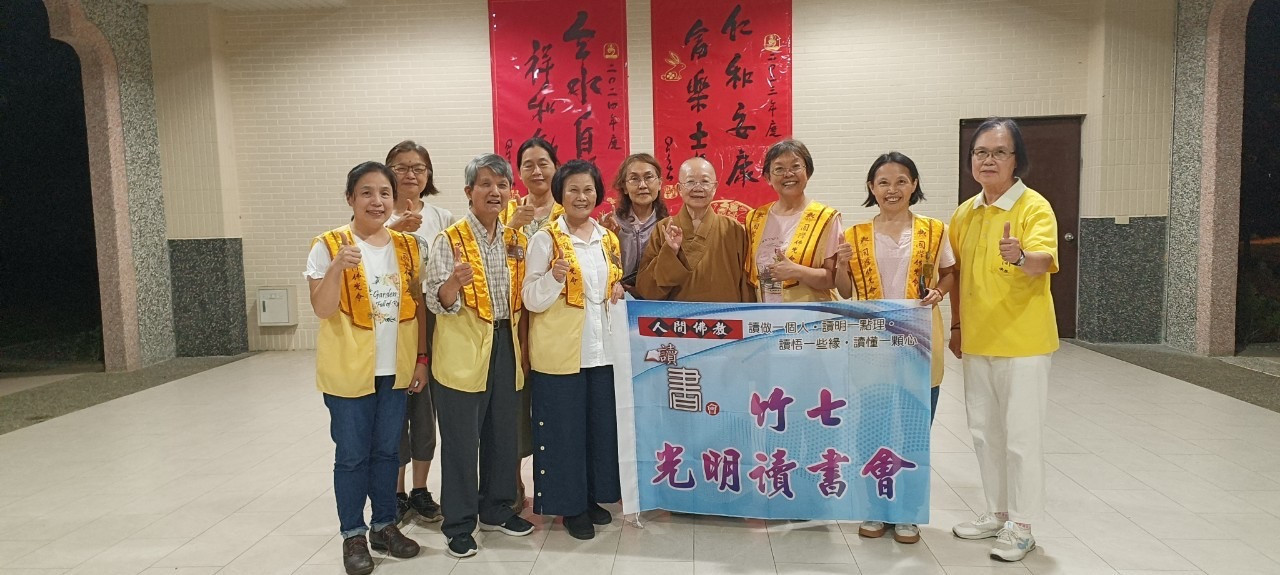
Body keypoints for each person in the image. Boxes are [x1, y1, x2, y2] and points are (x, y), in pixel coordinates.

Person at [948, 118, 1058, 562]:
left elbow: (1043, 260)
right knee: (984, 434)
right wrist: (957, 327)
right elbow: (956, 275)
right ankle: (997, 513)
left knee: (1021, 438)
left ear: (1017, 160)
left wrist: (1020, 255)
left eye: (999, 152)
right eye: (981, 152)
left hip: (1023, 343)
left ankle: (1023, 526)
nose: (988, 160)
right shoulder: (965, 213)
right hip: (978, 342)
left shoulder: (1033, 206)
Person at [305, 162, 423, 575]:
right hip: (349, 370)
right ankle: (353, 533)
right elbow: (322, 309)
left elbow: (418, 306)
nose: (377, 201)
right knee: (353, 456)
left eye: (384, 193)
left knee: (388, 452)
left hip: (395, 368)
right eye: (367, 192)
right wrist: (337, 267)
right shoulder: (328, 244)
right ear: (350, 198)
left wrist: (421, 359)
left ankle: (384, 525)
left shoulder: (407, 246)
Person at [835, 152, 956, 545]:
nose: (892, 189)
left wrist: (939, 292)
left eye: (901, 181)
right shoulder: (854, 235)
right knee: (871, 429)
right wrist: (840, 265)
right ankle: (876, 507)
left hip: (919, 343)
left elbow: (949, 273)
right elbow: (845, 290)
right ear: (871, 188)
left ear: (914, 185)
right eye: (883, 182)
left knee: (914, 431)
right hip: (871, 345)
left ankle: (907, 513)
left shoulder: (934, 230)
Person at [424, 153, 535, 558]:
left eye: (502, 184)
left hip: (506, 345)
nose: (495, 191)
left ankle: (497, 508)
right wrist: (453, 283)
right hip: (462, 351)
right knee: (461, 441)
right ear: (469, 191)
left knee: (504, 434)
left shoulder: (515, 240)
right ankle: (458, 523)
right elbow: (436, 301)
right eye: (485, 184)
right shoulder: (449, 240)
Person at [521, 159, 625, 540]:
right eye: (573, 190)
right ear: (560, 195)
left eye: (588, 190)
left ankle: (592, 496)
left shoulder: (607, 238)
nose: (582, 197)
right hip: (561, 354)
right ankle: (570, 507)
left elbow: (610, 285)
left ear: (598, 194)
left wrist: (618, 288)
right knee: (564, 433)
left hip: (603, 352)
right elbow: (529, 298)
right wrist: (553, 277)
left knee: (598, 429)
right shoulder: (545, 239)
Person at [382, 140, 450, 525]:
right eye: (401, 167)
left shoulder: (443, 217)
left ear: (428, 174)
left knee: (425, 409)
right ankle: (395, 491)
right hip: (390, 321)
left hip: (433, 319)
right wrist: (394, 229)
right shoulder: (377, 215)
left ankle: (421, 489)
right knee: (395, 407)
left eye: (418, 168)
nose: (410, 174)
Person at [501, 136, 564, 512]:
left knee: (554, 410)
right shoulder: (506, 211)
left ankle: (554, 486)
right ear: (519, 173)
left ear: (556, 167)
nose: (537, 171)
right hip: (511, 322)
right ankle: (511, 485)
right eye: (528, 164)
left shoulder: (569, 211)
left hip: (556, 324)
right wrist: (510, 227)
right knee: (512, 408)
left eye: (544, 163)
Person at [633, 156, 754, 302]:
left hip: (725, 314)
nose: (698, 188)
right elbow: (647, 289)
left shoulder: (733, 229)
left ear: (714, 187)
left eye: (705, 181)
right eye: (690, 182)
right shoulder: (664, 228)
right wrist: (670, 252)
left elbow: (747, 283)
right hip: (679, 316)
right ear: (679, 188)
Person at [745, 139, 844, 302]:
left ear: (808, 172)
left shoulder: (826, 218)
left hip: (810, 314)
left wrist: (797, 271)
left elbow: (834, 278)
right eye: (779, 169)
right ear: (768, 177)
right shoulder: (755, 218)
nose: (788, 174)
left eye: (795, 166)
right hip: (765, 313)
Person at [600, 153, 670, 286]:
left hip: (656, 295)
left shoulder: (668, 225)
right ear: (624, 187)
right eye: (634, 179)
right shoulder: (610, 223)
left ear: (660, 184)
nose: (642, 185)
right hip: (617, 294)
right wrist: (603, 238)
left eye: (648, 177)